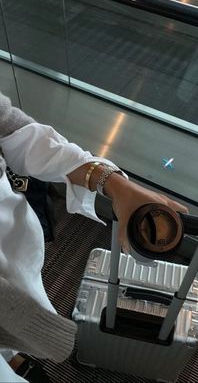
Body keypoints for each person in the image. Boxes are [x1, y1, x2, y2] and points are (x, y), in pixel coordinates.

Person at [0, 90, 188, 382]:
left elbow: (14, 130)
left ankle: (10, 354)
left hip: (10, 237)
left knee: (24, 293)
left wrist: (112, 183)